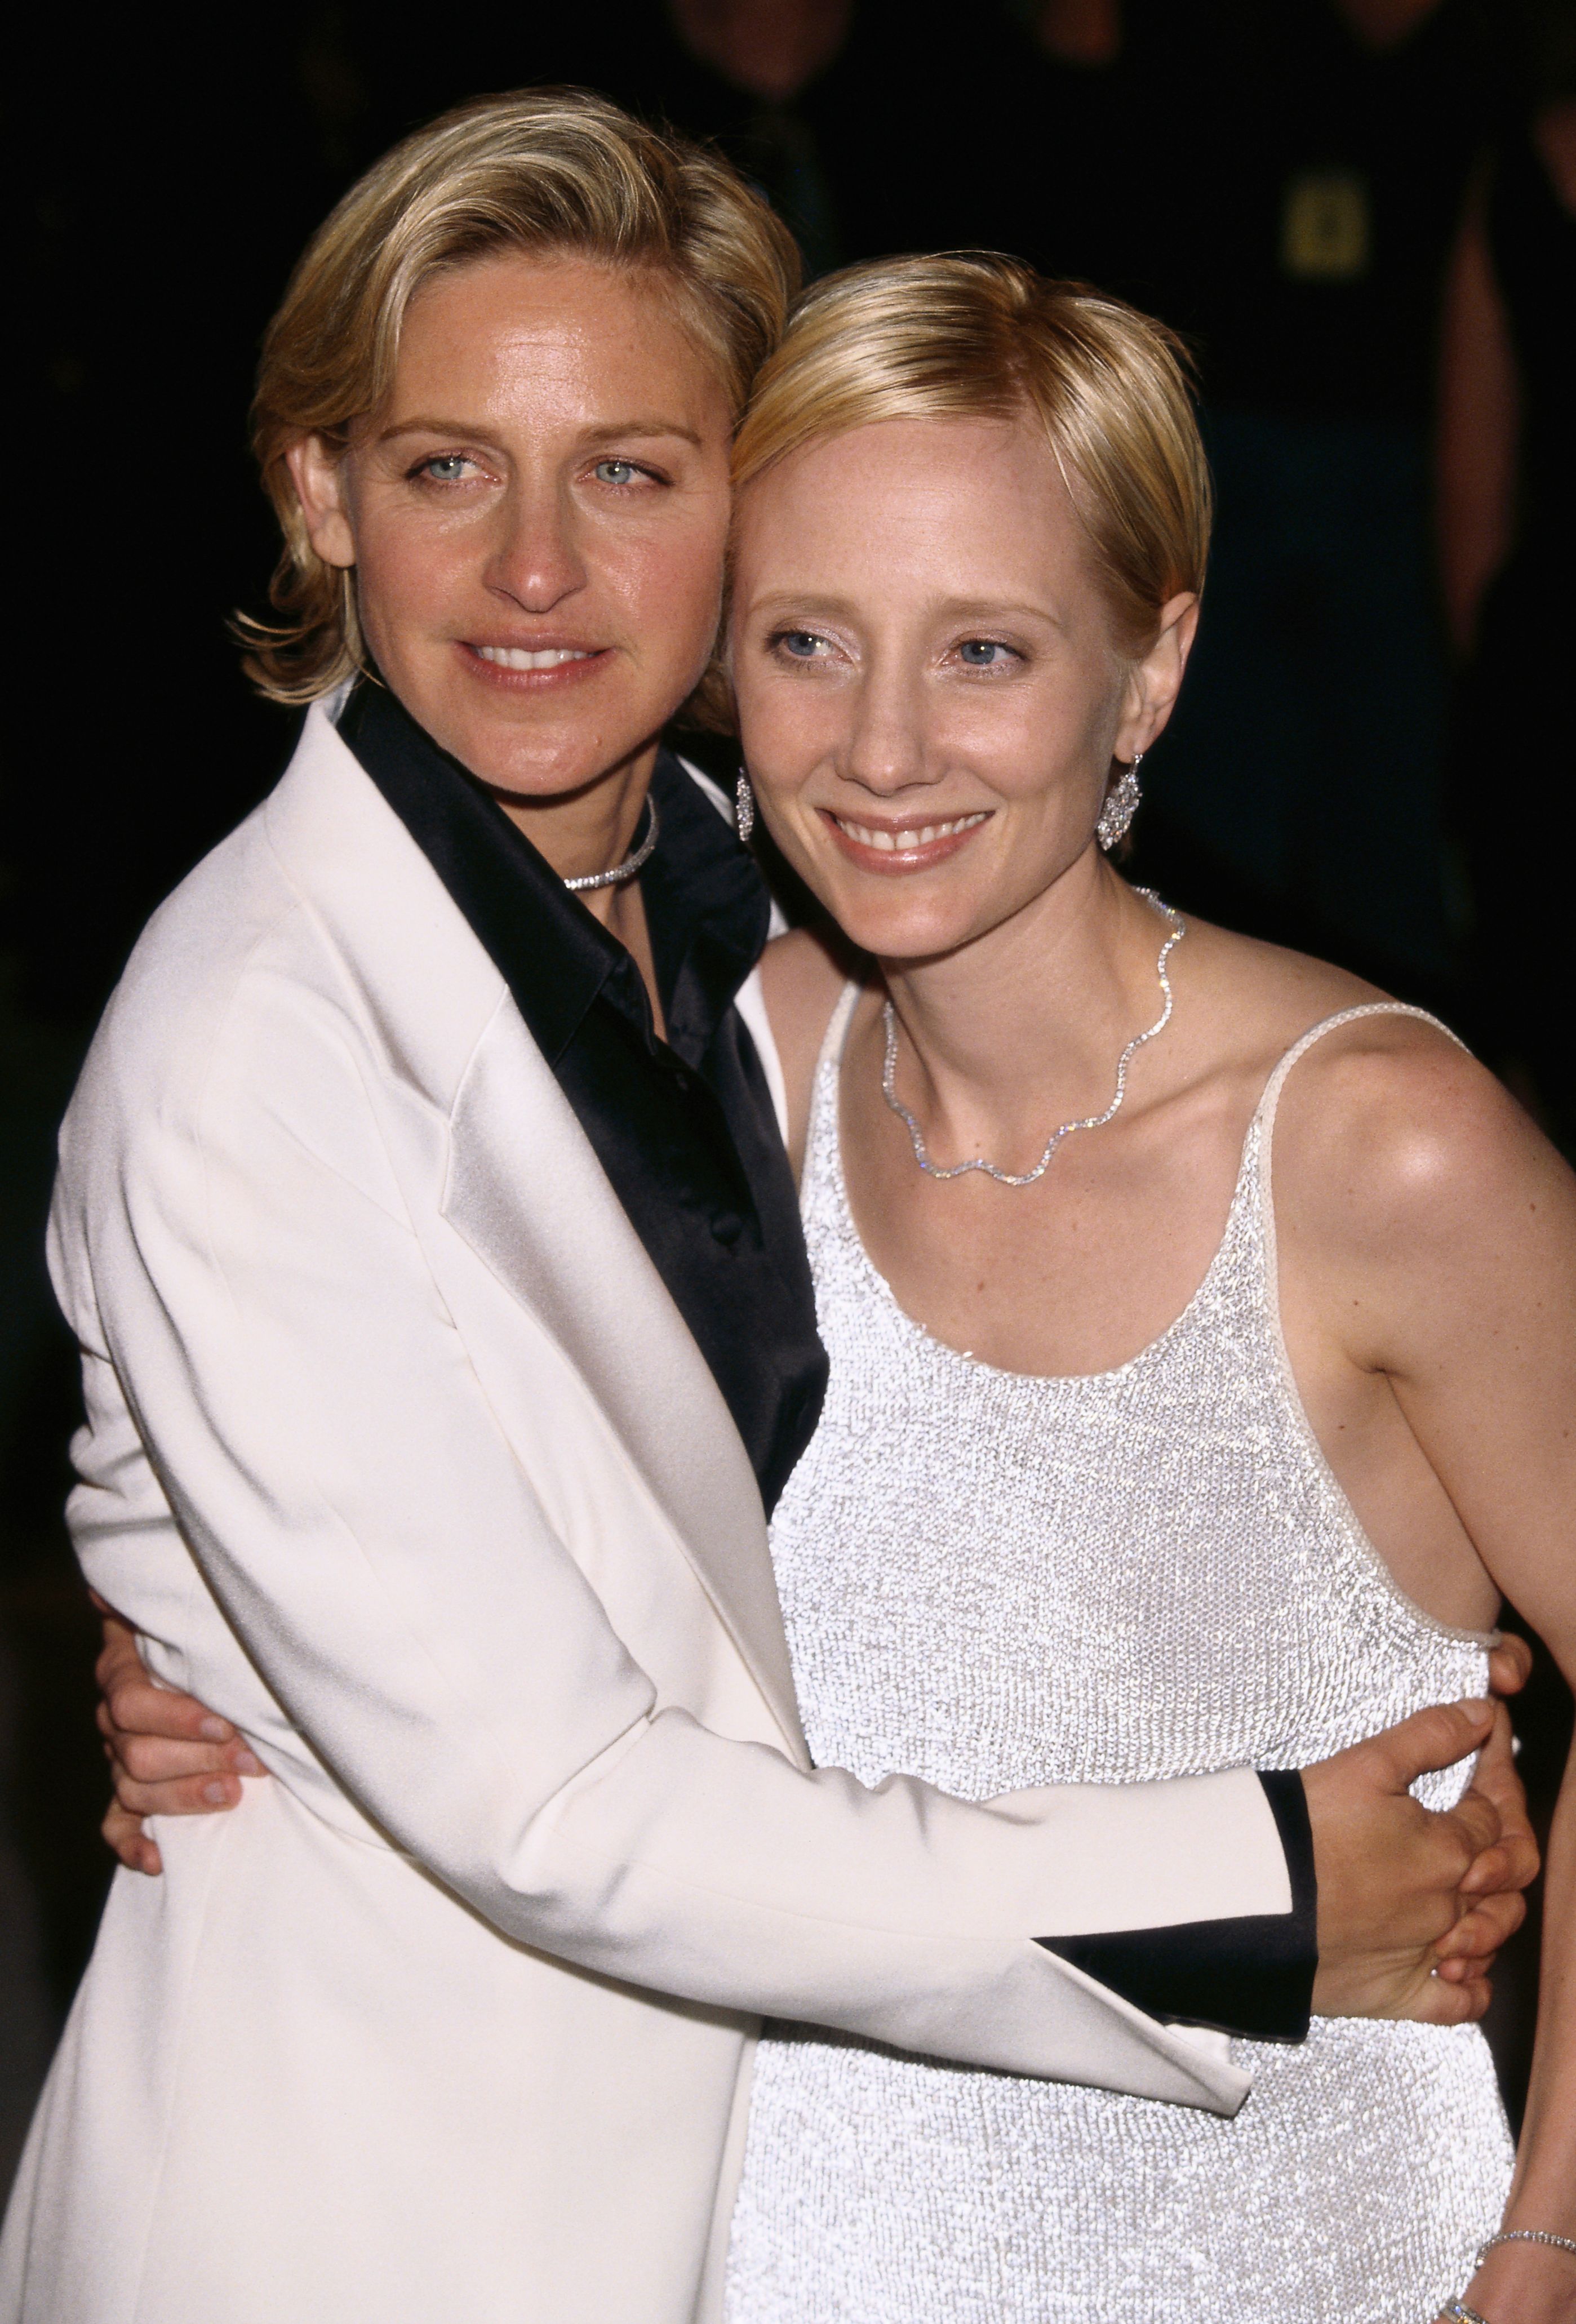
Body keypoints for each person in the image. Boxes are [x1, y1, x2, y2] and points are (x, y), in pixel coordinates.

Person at [19, 94, 1535, 2324]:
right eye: (448, 466)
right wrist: (1275, 1883)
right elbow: (549, 1804)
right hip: (391, 2219)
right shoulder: (268, 1030)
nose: (538, 567)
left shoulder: (731, 932)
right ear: (319, 491)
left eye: (630, 470)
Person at [712, 256, 1575, 2321]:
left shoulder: (1380, 1150)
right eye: (808, 640)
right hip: (786, 2262)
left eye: (987, 649)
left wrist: (1548, 2248)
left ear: (1154, 667)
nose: (886, 746)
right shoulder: (728, 1069)